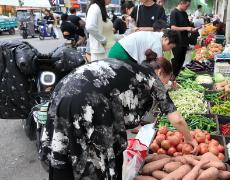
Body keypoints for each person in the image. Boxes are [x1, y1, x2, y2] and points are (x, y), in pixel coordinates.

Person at [44, 49, 198, 180]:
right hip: (89, 101)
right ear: (159, 72)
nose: (166, 85)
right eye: (166, 80)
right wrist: (190, 139)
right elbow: (176, 119)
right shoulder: (152, 78)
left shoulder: (129, 66)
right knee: (99, 155)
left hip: (63, 90)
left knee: (64, 145)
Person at [108, 29, 179, 63]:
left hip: (118, 48)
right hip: (121, 53)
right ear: (166, 39)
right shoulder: (157, 44)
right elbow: (158, 67)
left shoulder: (159, 36)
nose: (169, 50)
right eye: (171, 47)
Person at [170, 0, 197, 77]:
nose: (187, 8)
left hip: (184, 42)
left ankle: (177, 77)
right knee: (175, 62)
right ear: (181, 2)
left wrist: (192, 29)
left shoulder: (184, 13)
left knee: (181, 61)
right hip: (177, 42)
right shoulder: (174, 12)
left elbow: (188, 25)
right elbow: (173, 27)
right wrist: (186, 28)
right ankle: (172, 79)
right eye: (186, 6)